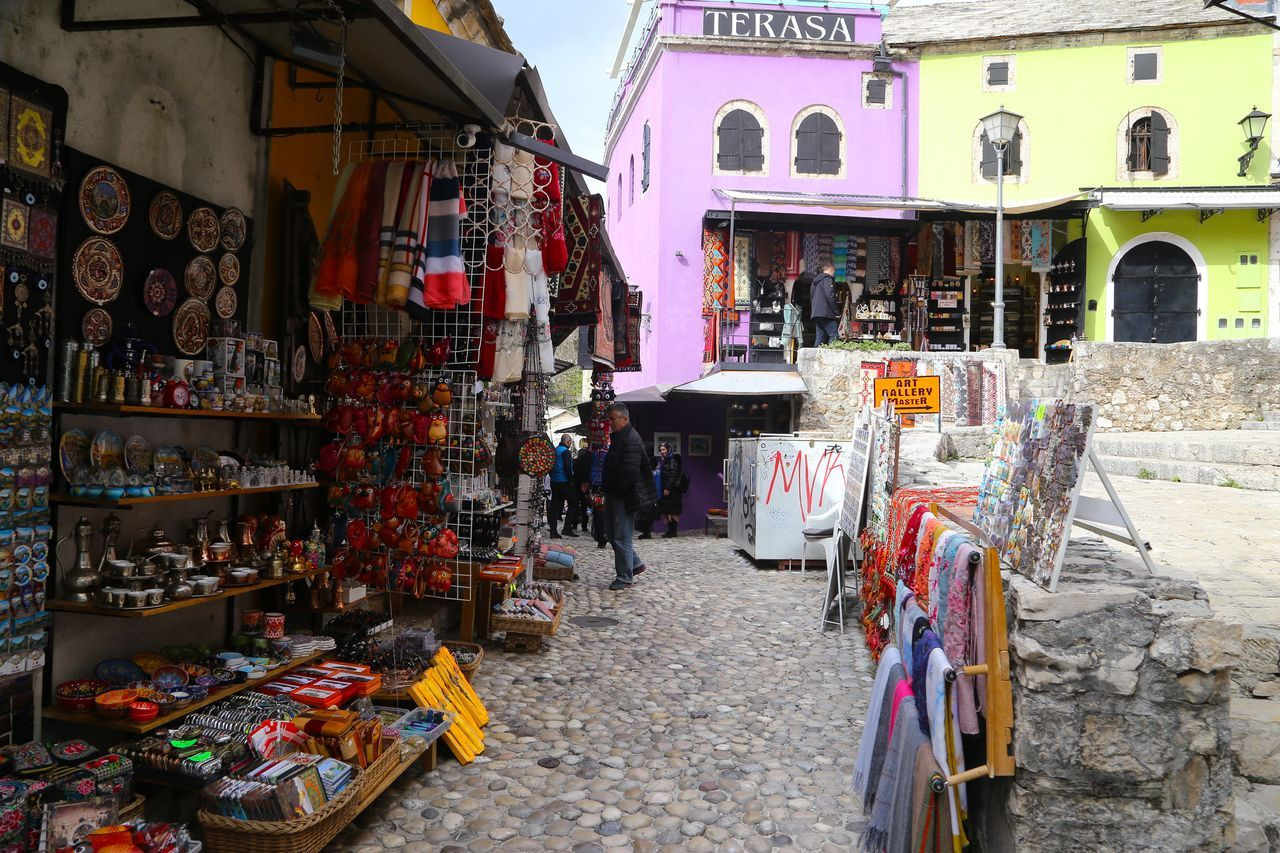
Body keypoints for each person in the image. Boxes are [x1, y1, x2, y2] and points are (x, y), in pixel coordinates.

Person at [601, 402, 656, 591]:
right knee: (611, 533)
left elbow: (630, 473)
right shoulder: (621, 438)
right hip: (617, 494)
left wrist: (616, 490)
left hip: (624, 497)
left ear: (625, 419)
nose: (611, 423)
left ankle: (625, 577)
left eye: (613, 419)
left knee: (621, 537)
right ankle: (635, 563)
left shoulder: (630, 439)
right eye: (610, 419)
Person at [548, 434, 577, 538]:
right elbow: (568, 468)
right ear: (568, 442)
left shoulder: (555, 450)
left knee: (555, 506)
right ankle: (567, 528)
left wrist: (553, 475)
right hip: (564, 481)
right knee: (573, 503)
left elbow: (550, 465)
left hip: (554, 481)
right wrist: (572, 481)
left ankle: (553, 531)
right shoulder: (566, 452)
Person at [656, 443, 688, 538]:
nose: (662, 451)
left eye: (664, 449)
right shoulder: (668, 460)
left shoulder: (672, 460)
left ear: (669, 449)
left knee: (673, 511)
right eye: (661, 450)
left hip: (673, 490)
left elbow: (672, 475)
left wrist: (667, 488)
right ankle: (671, 531)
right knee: (669, 510)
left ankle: (672, 532)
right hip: (671, 490)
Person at [810, 262, 839, 346]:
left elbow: (812, 298)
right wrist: (836, 312)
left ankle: (815, 358)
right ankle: (831, 357)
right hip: (826, 313)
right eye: (833, 272)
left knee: (820, 338)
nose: (834, 274)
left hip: (816, 313)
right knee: (834, 335)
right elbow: (830, 296)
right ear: (830, 270)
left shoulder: (814, 282)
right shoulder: (827, 279)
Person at [574, 438, 593, 533]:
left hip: (577, 485)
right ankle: (584, 526)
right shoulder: (588, 463)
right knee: (585, 505)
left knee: (575, 505)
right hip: (585, 484)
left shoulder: (576, 462)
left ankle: (574, 524)